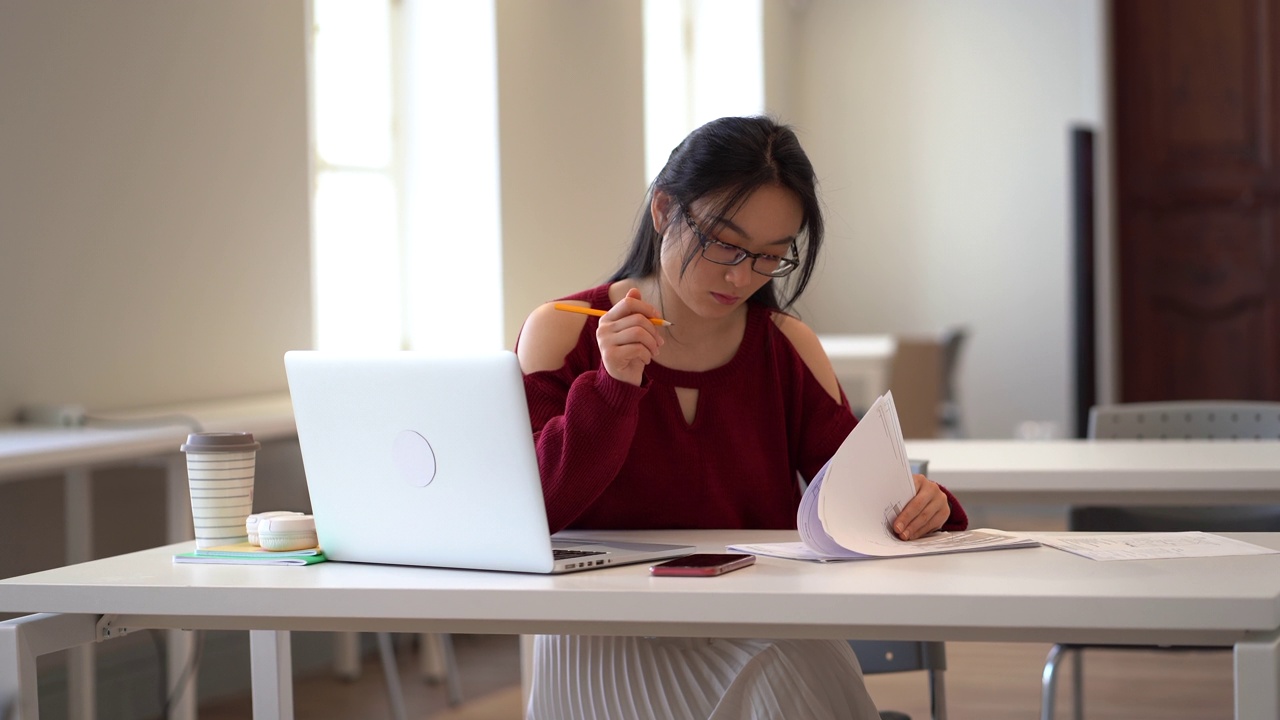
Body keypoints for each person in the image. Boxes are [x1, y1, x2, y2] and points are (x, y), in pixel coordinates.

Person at [515, 116, 969, 720]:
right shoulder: (566, 329)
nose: (740, 276)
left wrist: (921, 505)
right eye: (724, 243)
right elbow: (532, 510)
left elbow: (862, 500)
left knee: (789, 665)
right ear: (663, 210)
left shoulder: (785, 343)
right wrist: (614, 386)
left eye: (769, 256)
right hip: (606, 624)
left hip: (761, 614)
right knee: (790, 672)